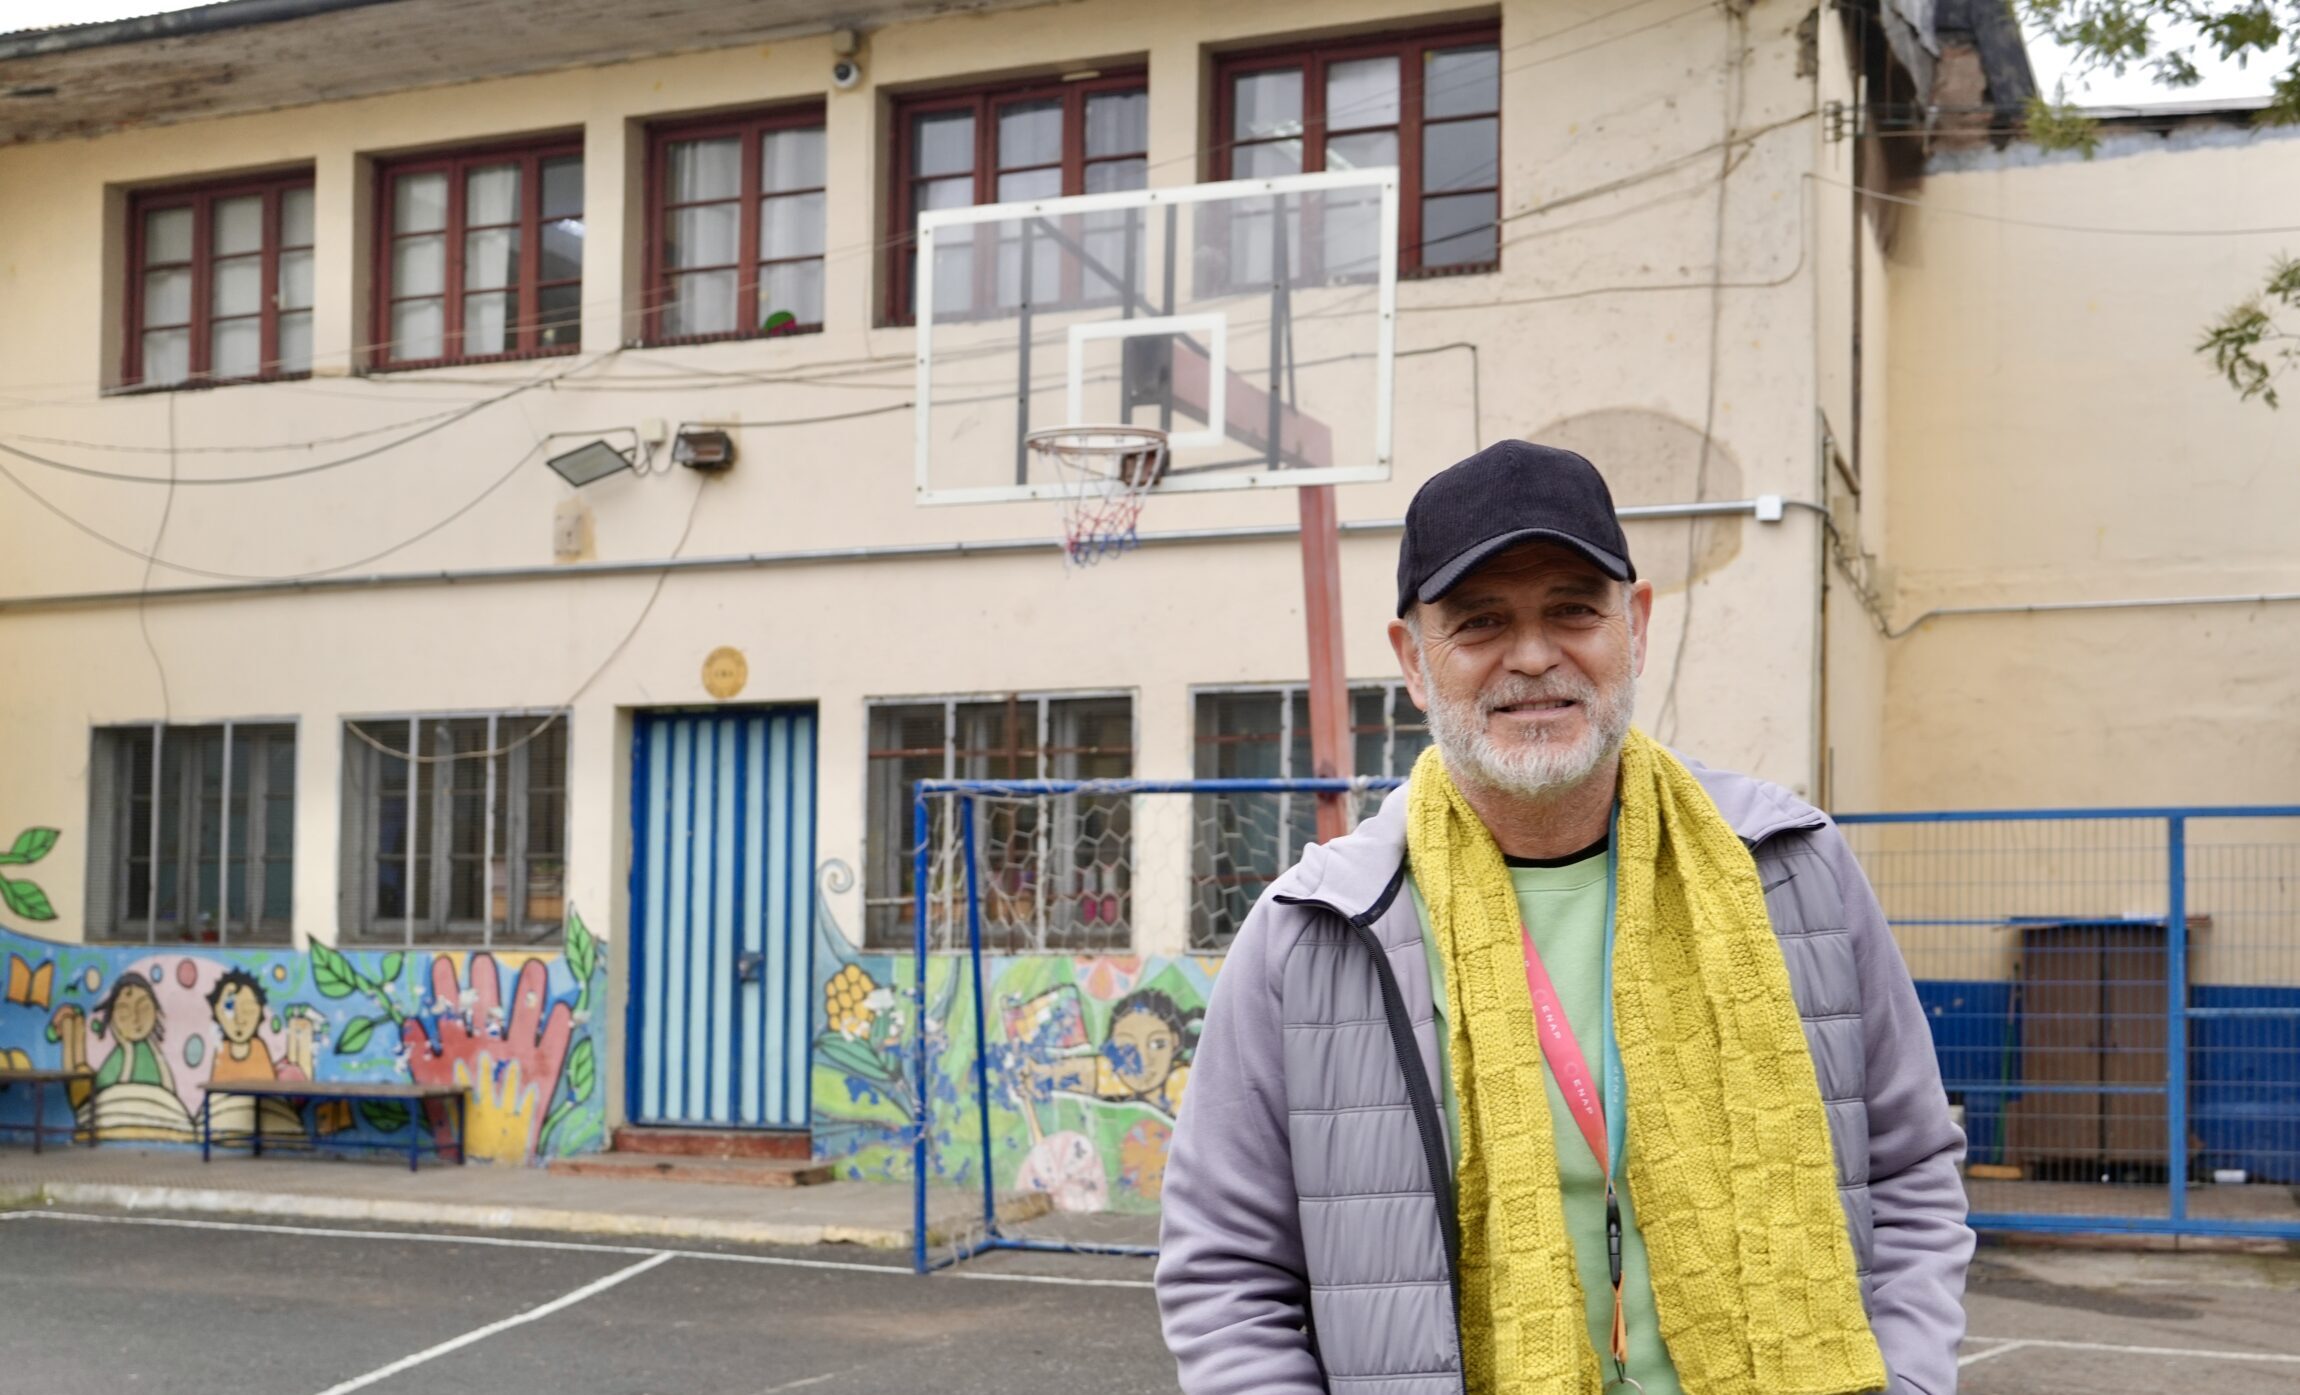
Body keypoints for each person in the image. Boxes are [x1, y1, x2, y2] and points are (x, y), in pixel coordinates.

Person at [1156, 442, 1972, 1395]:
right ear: (1413, 660)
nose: (1535, 655)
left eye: (1573, 609)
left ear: (1636, 624)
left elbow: (1911, 1170)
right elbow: (1226, 1273)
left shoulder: (1792, 872)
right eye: (1481, 620)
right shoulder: (1317, 933)